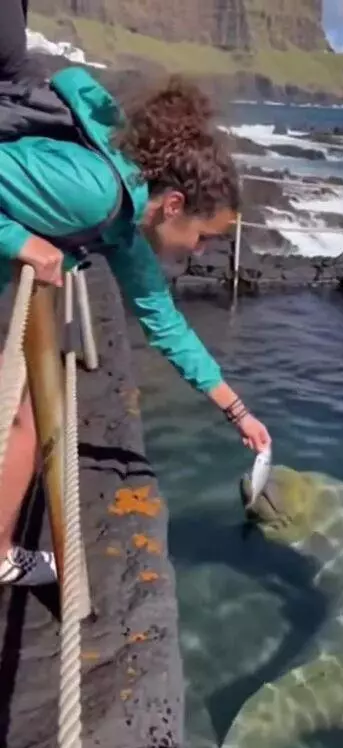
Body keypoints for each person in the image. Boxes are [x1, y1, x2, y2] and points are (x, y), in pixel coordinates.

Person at [0, 1, 271, 586]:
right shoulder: (96, 195)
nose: (201, 252)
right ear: (173, 204)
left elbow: (162, 319)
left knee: (27, 407)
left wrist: (237, 410)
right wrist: (18, 239)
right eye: (203, 236)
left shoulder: (123, 219)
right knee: (24, 416)